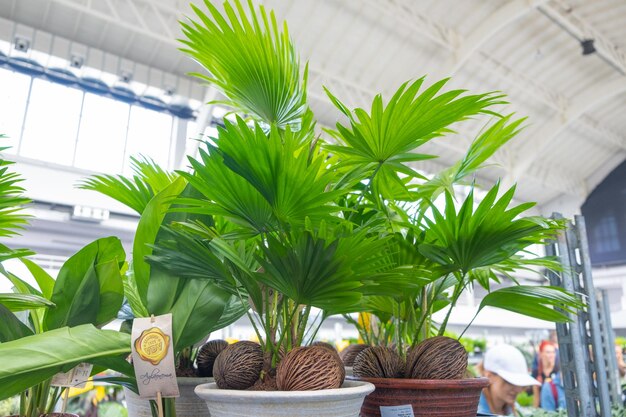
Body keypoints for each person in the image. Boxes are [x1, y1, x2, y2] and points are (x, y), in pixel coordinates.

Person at [477, 344, 540, 416]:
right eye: (509, 382)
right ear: (489, 376)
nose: (518, 390)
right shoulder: (474, 412)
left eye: (519, 383)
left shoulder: (514, 408)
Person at [532, 340, 559, 408]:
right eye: (548, 352)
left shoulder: (558, 371)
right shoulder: (536, 373)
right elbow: (536, 398)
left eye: (553, 352)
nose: (551, 355)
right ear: (541, 354)